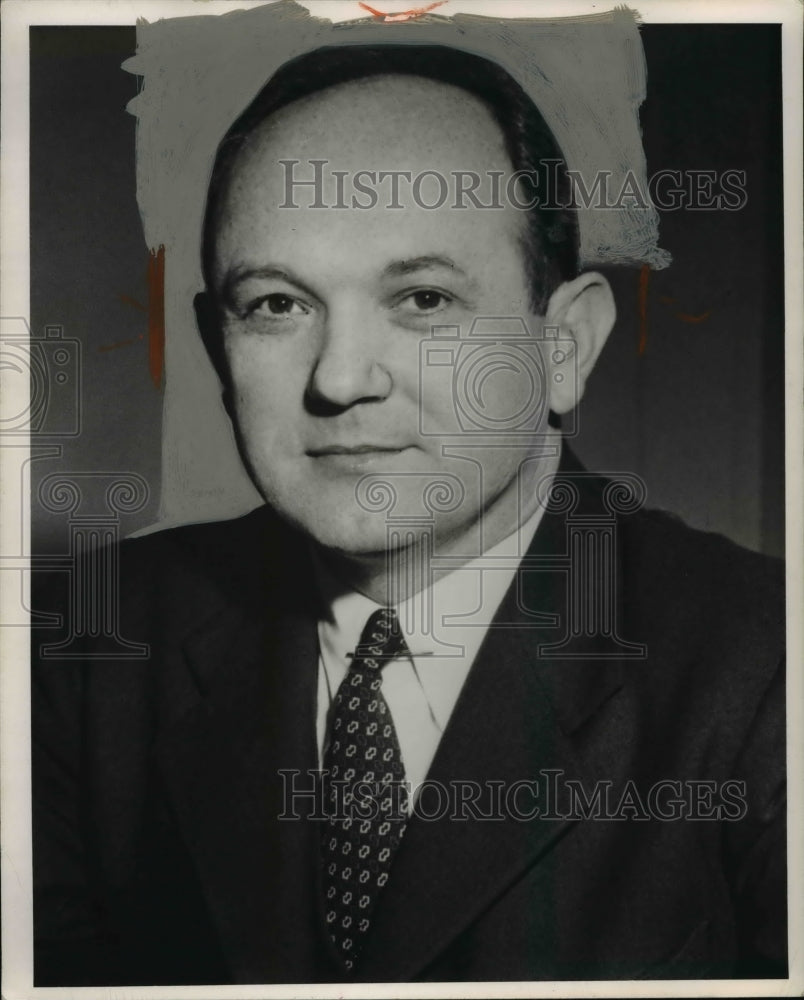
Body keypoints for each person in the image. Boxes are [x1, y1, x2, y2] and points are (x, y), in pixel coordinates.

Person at [32, 44, 786, 985]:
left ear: (563, 345)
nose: (341, 378)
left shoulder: (765, 670)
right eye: (276, 304)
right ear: (216, 350)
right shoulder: (81, 653)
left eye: (423, 299)